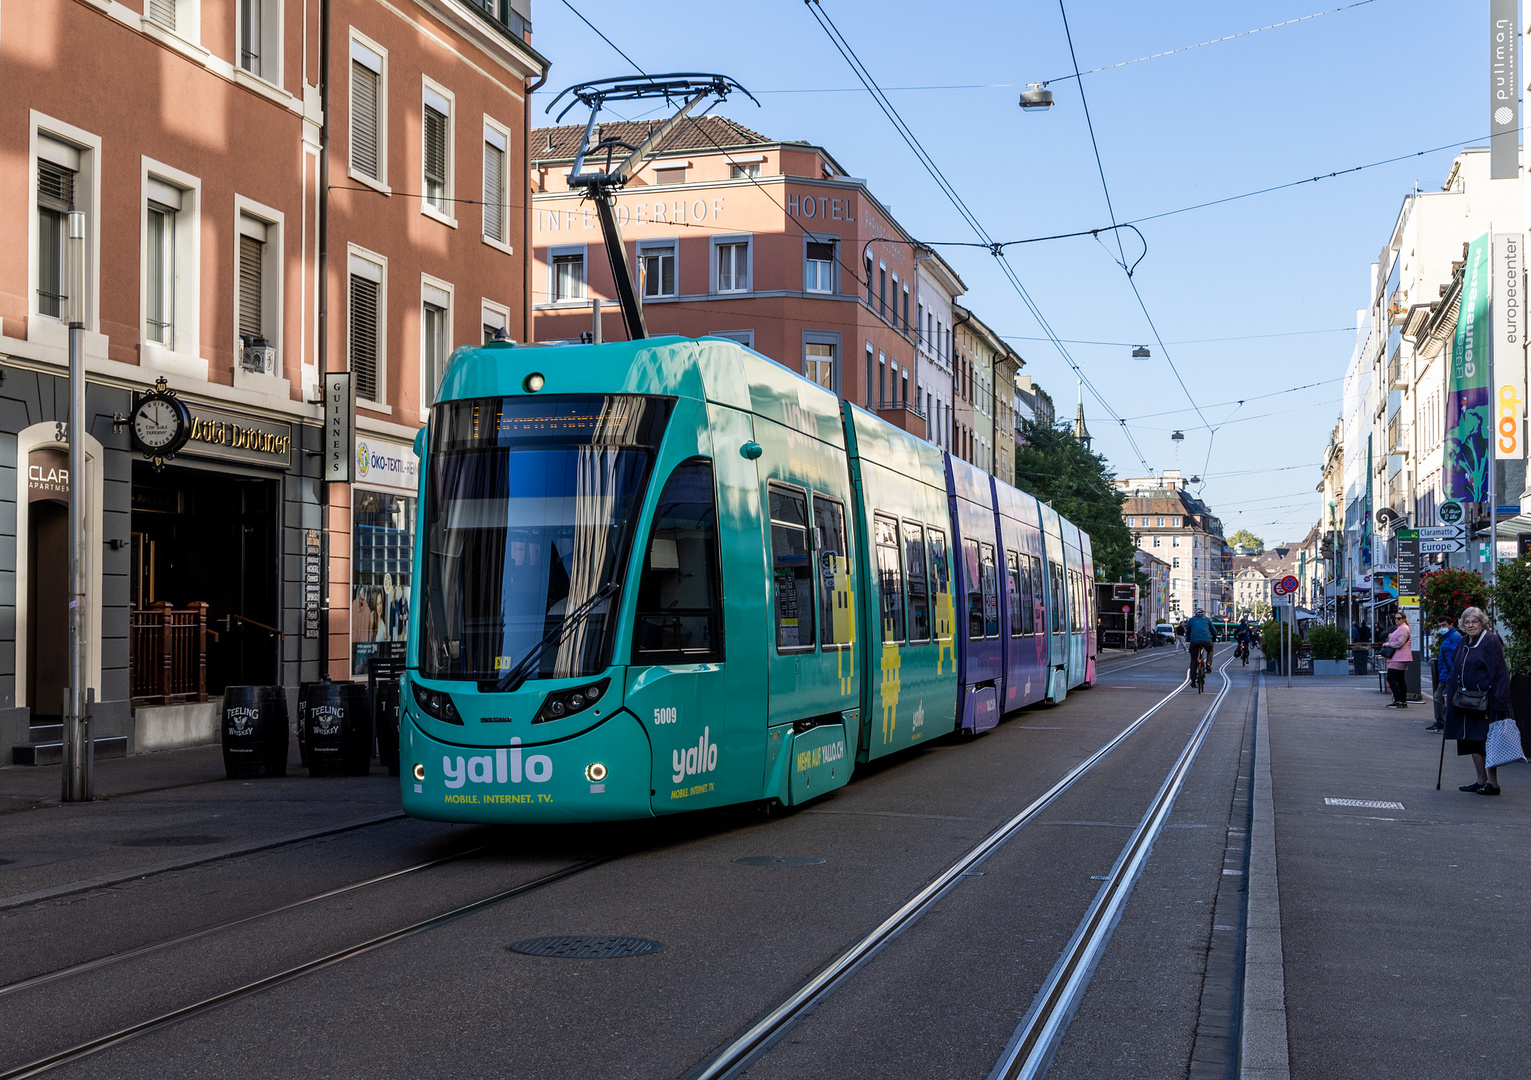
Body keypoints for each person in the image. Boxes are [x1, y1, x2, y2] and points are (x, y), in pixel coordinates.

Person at [1444, 606, 1513, 796]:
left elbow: (1500, 672)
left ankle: (1493, 783)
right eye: (1466, 622)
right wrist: (1448, 694)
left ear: (1482, 623)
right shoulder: (1463, 641)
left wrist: (1500, 701)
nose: (1470, 625)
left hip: (1485, 701)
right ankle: (1481, 779)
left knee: (1486, 741)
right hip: (1465, 701)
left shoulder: (1490, 641)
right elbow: (1456, 669)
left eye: (1474, 621)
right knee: (1471, 740)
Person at [1425, 616, 1461, 733]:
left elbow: (1455, 657)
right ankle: (1444, 721)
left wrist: (1452, 673)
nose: (1441, 628)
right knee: (1443, 697)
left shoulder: (1453, 637)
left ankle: (1442, 721)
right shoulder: (1449, 637)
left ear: (1451, 625)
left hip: (1448, 674)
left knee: (1438, 697)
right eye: (1440, 626)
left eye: (1444, 625)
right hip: (1446, 673)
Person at [1383, 612, 1411, 708]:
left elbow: (1400, 643)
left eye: (1399, 618)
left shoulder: (1403, 628)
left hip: (1399, 657)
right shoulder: (1401, 628)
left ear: (1403, 619)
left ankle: (1398, 699)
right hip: (1400, 657)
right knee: (1400, 679)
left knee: (1391, 678)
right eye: (1395, 618)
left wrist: (1389, 644)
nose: (1396, 620)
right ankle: (1402, 700)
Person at [1186, 609, 1214, 680]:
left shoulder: (1191, 620)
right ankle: (1208, 664)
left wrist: (1188, 639)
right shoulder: (1207, 620)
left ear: (1195, 613)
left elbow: (1188, 631)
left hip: (1194, 641)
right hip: (1206, 641)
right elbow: (1214, 631)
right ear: (1203, 613)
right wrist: (1213, 638)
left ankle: (1193, 680)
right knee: (1210, 650)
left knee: (1193, 659)